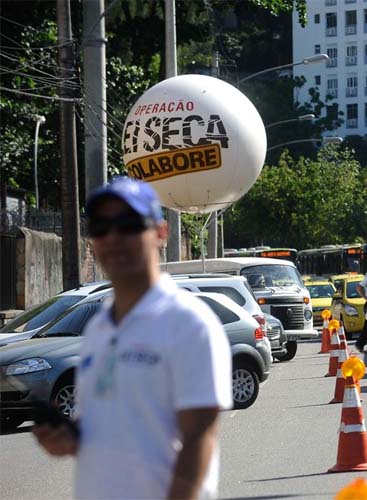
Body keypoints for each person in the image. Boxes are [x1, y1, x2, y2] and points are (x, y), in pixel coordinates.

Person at [33, 177, 232, 499]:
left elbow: (199, 437)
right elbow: (103, 431)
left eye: (128, 224)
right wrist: (67, 441)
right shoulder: (100, 327)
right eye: (100, 227)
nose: (113, 237)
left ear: (160, 233)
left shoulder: (188, 322)